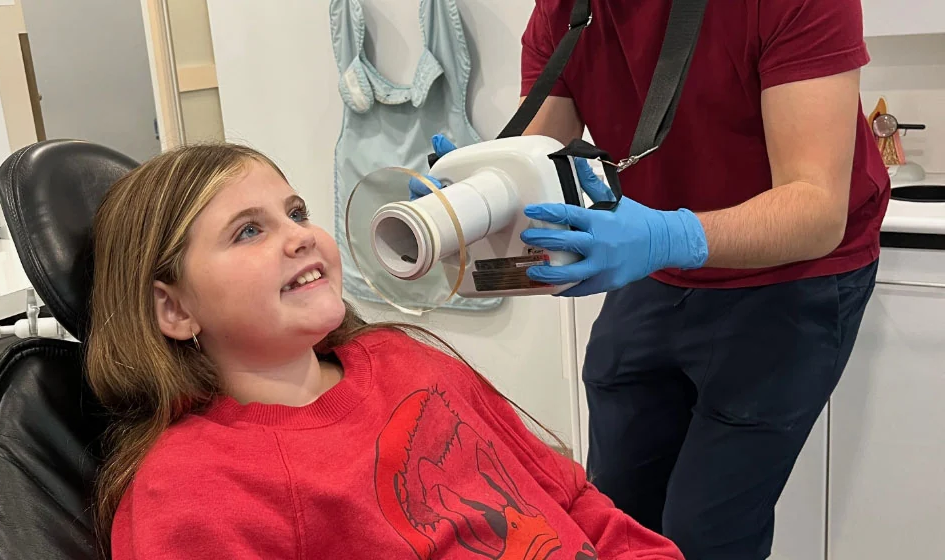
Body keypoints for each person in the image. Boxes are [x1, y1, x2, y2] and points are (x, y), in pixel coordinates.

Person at [413, 1, 889, 558]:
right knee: (610, 510)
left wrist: (666, 237)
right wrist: (468, 196)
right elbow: (536, 160)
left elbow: (815, 208)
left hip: (795, 273)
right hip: (658, 261)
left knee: (708, 532)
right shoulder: (567, 11)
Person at [85, 143, 686, 559]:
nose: (299, 235)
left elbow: (569, 499)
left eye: (296, 212)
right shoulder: (194, 489)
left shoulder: (402, 358)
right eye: (249, 230)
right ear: (175, 309)